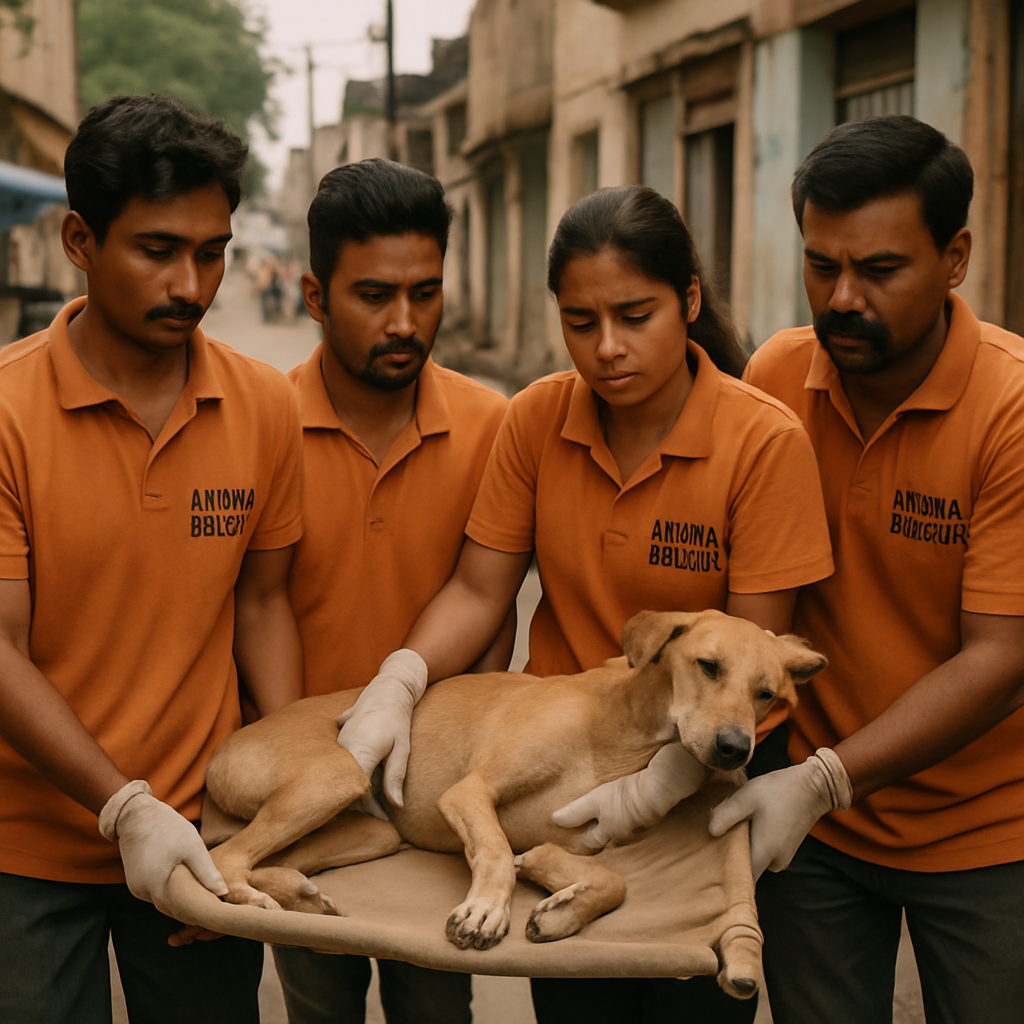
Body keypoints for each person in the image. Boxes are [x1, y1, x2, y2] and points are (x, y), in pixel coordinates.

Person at [337, 184, 835, 1023]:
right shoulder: (536, 418)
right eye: (580, 322)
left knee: (690, 1001)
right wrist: (401, 679)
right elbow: (478, 587)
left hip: (695, 794)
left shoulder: (763, 439)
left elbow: (752, 658)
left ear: (689, 300)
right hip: (558, 784)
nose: (606, 349)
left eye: (635, 316)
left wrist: (652, 790)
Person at [709, 114, 1024, 1024]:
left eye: (879, 271)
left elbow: (1002, 656)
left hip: (987, 833)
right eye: (821, 265)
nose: (842, 297)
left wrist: (826, 778)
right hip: (811, 834)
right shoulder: (777, 374)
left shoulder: (1008, 411)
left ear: (955, 256)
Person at [0, 94, 305, 1024]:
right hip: (25, 851)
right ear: (80, 242)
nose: (192, 284)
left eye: (211, 252)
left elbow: (262, 609)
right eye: (159, 250)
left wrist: (272, 816)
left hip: (204, 837)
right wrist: (126, 806)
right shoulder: (7, 412)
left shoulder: (262, 406)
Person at [272, 158, 511, 1024]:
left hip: (433, 797)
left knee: (439, 1005)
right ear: (313, 293)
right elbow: (250, 606)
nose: (405, 322)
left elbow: (490, 605)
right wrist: (308, 774)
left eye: (426, 292)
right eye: (374, 295)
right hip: (304, 792)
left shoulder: (494, 426)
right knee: (318, 1002)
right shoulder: (259, 420)